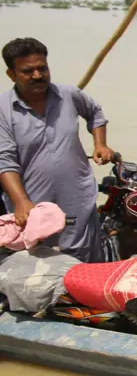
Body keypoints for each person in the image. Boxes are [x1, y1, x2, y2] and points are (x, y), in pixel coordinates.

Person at [0, 38, 115, 263]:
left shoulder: (69, 95)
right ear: (11, 75)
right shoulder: (3, 109)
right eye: (27, 71)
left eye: (42, 68)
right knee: (39, 263)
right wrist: (21, 201)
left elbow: (95, 113)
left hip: (78, 196)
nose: (37, 75)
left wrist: (100, 144)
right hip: (34, 204)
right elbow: (5, 160)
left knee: (83, 261)